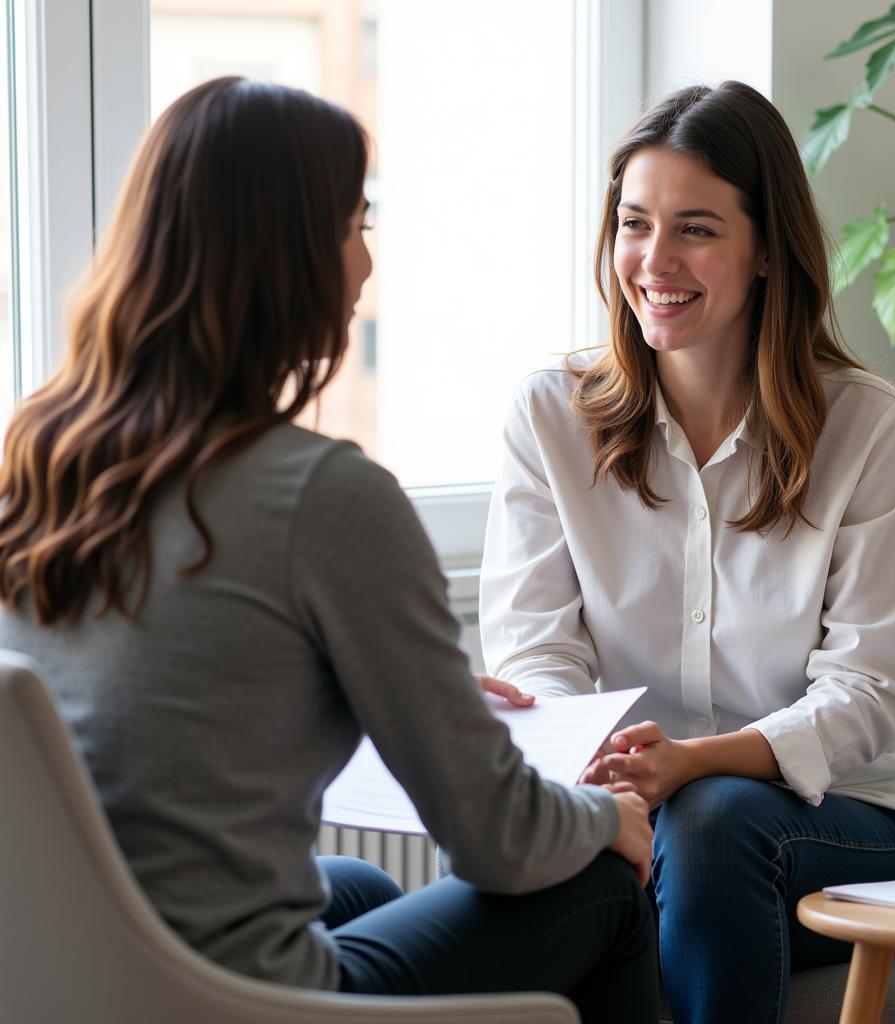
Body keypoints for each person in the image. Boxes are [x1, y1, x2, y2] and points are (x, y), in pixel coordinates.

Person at [0, 77, 660, 1023]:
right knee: (598, 885)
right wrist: (610, 817)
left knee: (353, 886)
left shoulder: (38, 461)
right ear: (288, 257)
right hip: (222, 998)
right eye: (357, 226)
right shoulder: (323, 494)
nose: (366, 266)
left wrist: (394, 684)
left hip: (68, 970)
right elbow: (497, 838)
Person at [480, 81, 895, 1023]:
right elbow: (536, 649)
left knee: (713, 820)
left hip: (843, 824)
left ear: (767, 247)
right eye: (634, 224)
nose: (654, 261)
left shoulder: (863, 426)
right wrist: (604, 770)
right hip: (633, 806)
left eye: (695, 229)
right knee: (525, 847)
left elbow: (874, 687)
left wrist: (695, 761)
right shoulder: (547, 416)